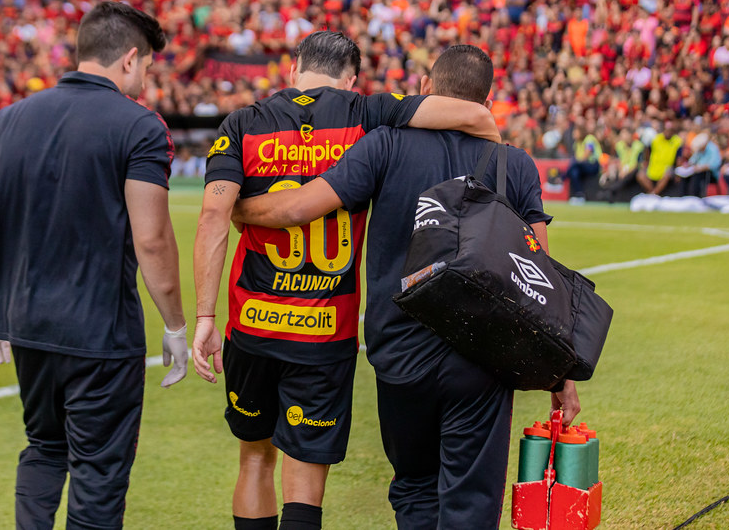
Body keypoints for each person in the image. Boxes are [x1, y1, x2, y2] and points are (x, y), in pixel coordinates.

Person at [232, 45, 580, 529]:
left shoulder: (385, 144)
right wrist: (558, 374)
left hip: (399, 354)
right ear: (487, 99)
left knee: (415, 488)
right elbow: (540, 276)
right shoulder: (514, 164)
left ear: (424, 89)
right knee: (471, 499)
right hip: (481, 358)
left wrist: (239, 209)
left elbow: (297, 209)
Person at [192, 31, 501, 530]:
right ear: (351, 77)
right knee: (305, 472)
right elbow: (476, 116)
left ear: (294, 70)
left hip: (250, 324)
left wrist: (206, 314)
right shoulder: (366, 112)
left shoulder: (242, 123)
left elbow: (212, 216)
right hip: (323, 329)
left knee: (254, 459)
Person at [0, 1, 188, 530]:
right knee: (100, 470)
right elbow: (152, 238)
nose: (146, 79)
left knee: (43, 447)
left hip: (26, 323)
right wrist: (176, 325)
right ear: (130, 59)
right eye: (148, 67)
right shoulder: (140, 126)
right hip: (100, 332)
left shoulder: (7, 120)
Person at [637, 121, 682, 195]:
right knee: (640, 174)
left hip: (667, 168)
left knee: (667, 174)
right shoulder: (656, 139)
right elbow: (648, 151)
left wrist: (678, 172)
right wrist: (646, 162)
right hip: (653, 168)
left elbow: (679, 158)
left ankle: (654, 194)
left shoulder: (677, 141)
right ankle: (652, 192)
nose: (668, 133)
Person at [564, 121, 602, 203]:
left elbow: (586, 156)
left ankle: (562, 178)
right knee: (574, 172)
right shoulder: (576, 143)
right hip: (582, 166)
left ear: (580, 132)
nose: (573, 134)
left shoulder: (589, 138)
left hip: (594, 165)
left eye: (575, 132)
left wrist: (576, 161)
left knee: (574, 164)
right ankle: (580, 195)